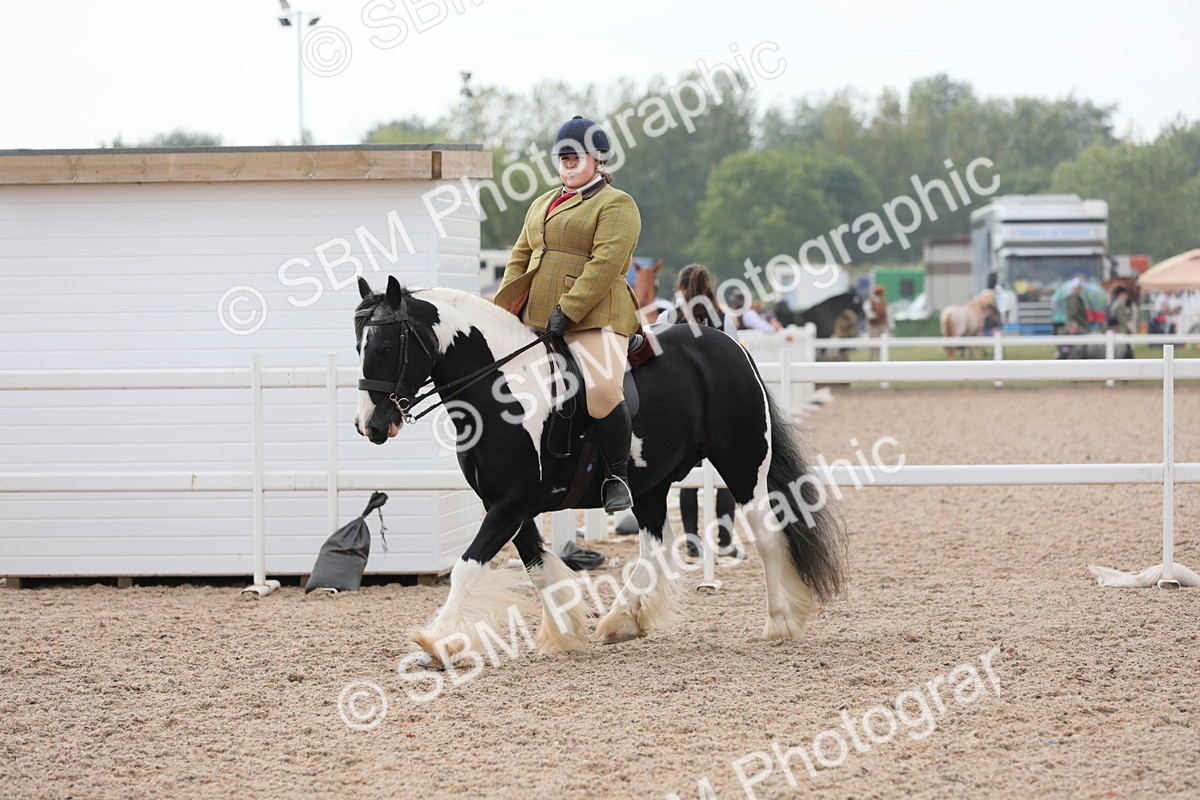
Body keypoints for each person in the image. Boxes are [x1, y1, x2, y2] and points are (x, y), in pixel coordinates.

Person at [492, 115, 641, 513]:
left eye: (576, 157)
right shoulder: (542, 202)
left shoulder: (616, 204)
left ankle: (617, 477)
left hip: (597, 316)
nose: (568, 164)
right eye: (563, 157)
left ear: (598, 160)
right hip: (536, 314)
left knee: (601, 389)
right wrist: (505, 310)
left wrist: (569, 309)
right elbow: (520, 257)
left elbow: (605, 262)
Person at [661, 264, 742, 559]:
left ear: (681, 288)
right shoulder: (724, 320)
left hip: (682, 410)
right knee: (725, 478)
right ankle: (724, 541)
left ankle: (693, 540)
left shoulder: (668, 317)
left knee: (687, 478)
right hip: (720, 408)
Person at [1109, 285, 1134, 359]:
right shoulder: (1120, 305)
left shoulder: (1116, 304)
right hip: (1121, 331)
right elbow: (1123, 320)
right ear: (1121, 295)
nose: (1127, 296)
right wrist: (1129, 330)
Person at [864, 285, 889, 359]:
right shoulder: (870, 302)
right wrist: (875, 316)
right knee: (873, 344)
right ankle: (871, 359)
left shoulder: (884, 302)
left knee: (881, 345)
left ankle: (880, 359)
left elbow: (887, 313)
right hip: (874, 325)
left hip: (882, 325)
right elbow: (868, 313)